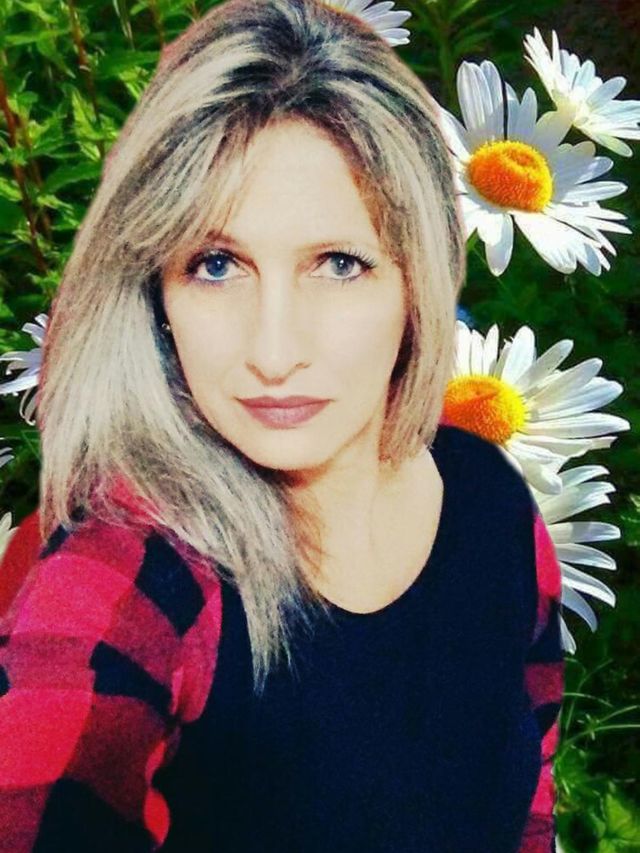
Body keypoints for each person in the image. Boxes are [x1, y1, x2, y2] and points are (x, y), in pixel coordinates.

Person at [0, 0, 564, 850]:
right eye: (215, 265)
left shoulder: (495, 507)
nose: (273, 351)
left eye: (337, 264)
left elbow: (531, 787)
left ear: (419, 281)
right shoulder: (132, 575)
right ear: (154, 293)